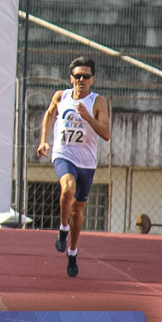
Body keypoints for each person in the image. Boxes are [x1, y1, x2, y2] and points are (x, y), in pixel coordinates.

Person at [37, 56, 111, 277]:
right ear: (71, 78)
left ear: (92, 79)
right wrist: (43, 140)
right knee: (67, 188)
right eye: (77, 76)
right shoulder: (61, 96)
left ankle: (72, 251)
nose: (81, 80)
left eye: (86, 76)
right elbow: (49, 114)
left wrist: (88, 117)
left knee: (78, 210)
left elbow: (106, 134)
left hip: (86, 162)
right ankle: (63, 228)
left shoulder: (98, 102)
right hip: (64, 154)